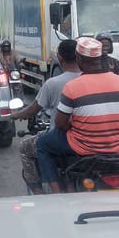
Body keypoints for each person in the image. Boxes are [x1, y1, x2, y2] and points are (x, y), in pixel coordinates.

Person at [36, 37, 119, 194]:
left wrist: (78, 126)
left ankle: (55, 192)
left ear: (79, 59)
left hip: (83, 146)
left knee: (42, 145)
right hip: (115, 146)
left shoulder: (72, 87)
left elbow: (60, 124)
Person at [10, 39, 80, 194]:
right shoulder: (90, 80)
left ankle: (41, 193)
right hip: (91, 138)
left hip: (64, 138)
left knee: (26, 147)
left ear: (60, 58)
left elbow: (33, 110)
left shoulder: (53, 83)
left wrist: (15, 115)